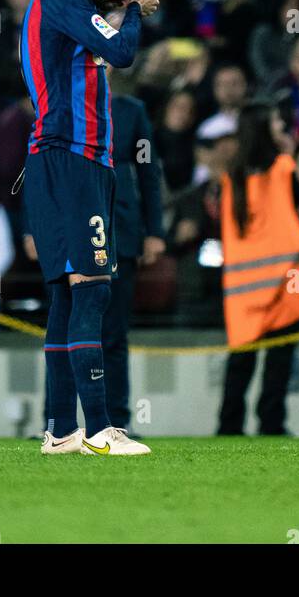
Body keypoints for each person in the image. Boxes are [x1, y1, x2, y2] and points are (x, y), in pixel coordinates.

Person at [20, 0, 163, 456]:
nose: (126, 2)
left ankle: (60, 430)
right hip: (71, 158)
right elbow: (122, 53)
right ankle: (102, 431)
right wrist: (139, 13)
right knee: (94, 290)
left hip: (70, 160)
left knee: (65, 294)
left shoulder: (69, 2)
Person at [217, 102, 299, 436]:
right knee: (279, 359)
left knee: (241, 362)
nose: (282, 126)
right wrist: (289, 151)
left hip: (243, 288)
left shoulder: (233, 179)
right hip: (284, 280)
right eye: (276, 121)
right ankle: (271, 423)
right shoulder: (284, 169)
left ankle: (228, 426)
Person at [100, 80, 166, 431]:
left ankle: (116, 422)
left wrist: (154, 230)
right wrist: (33, 228)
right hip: (72, 229)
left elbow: (148, 172)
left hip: (120, 232)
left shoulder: (131, 111)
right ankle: (58, 419)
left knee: (113, 333)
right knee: (65, 329)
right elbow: (39, 166)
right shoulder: (62, 102)